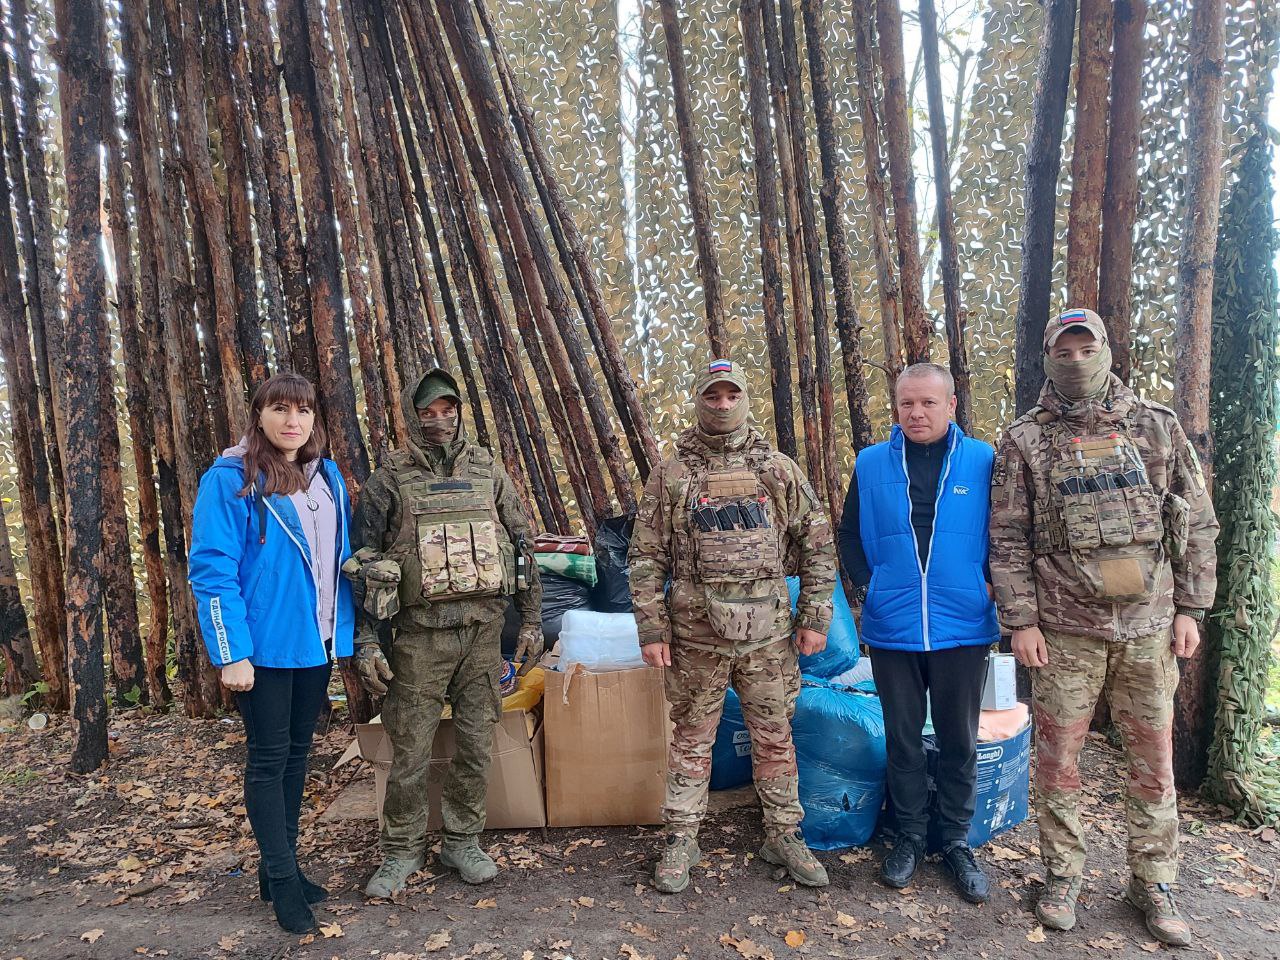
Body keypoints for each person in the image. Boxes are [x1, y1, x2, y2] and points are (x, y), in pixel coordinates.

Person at [989, 308, 1218, 947]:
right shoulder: (1025, 439)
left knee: (1153, 762)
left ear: (1107, 349)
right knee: (1058, 760)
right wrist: (1021, 621)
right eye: (1063, 350)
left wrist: (1191, 610)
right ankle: (1061, 875)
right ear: (1047, 358)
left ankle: (1154, 882)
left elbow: (1196, 524)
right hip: (1064, 631)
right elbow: (1006, 537)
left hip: (1149, 628)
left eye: (1085, 346)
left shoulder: (1158, 427)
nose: (1075, 359)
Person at [629, 358, 836, 894]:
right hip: (696, 635)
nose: (722, 405)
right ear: (698, 401)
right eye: (712, 396)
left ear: (745, 400)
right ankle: (681, 838)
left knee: (774, 736)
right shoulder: (672, 475)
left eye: (731, 395)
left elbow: (817, 547)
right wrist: (653, 630)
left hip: (768, 635)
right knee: (692, 736)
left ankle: (784, 834)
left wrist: (814, 617)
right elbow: (646, 557)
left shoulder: (779, 471)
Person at [349, 368, 542, 899]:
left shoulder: (489, 470)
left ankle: (462, 840)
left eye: (448, 409)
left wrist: (529, 620)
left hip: (482, 635)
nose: (439, 420)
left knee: (477, 745)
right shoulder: (388, 479)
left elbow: (523, 549)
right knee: (410, 752)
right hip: (418, 640)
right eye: (428, 411)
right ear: (412, 415)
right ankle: (401, 852)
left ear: (460, 411)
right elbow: (364, 566)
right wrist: (366, 642)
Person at [189, 373, 356, 934]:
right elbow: (212, 570)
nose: (293, 420)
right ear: (258, 415)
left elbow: (339, 558)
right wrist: (231, 651)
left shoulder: (324, 476)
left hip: (315, 639)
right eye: (280, 409)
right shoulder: (232, 478)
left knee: (296, 755)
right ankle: (283, 880)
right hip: (261, 648)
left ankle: (277, 866)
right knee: (267, 757)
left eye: (304, 411)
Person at [836, 362, 999, 904]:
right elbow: (848, 535)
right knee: (903, 741)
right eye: (907, 403)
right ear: (897, 407)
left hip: (964, 626)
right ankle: (907, 838)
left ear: (951, 405)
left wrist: (989, 585)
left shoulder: (982, 460)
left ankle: (955, 840)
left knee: (959, 741)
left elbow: (1008, 532)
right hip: (893, 628)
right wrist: (872, 585)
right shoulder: (869, 463)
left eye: (929, 402)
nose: (917, 413)